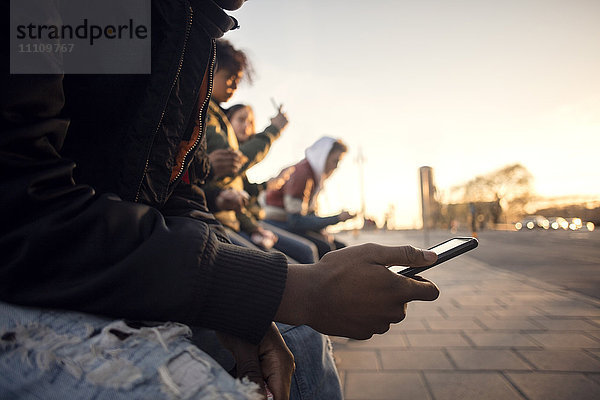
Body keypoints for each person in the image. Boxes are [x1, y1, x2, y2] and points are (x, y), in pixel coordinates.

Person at [1, 1, 440, 399]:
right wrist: (291, 289)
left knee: (300, 339)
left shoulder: (181, 26)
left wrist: (242, 301)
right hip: (30, 268)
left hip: (103, 256)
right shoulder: (96, 17)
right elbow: (19, 205)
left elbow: (171, 192)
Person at [193, 39, 318, 264]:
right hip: (217, 222)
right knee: (293, 262)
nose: (233, 86)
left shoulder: (213, 113)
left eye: (237, 81)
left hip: (235, 221)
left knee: (306, 253)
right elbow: (232, 165)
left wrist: (255, 219)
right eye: (230, 78)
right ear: (210, 69)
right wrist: (274, 130)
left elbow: (235, 190)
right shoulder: (206, 113)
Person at [225, 103, 319, 264]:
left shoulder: (239, 166)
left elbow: (245, 190)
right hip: (239, 223)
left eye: (250, 123)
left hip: (251, 221)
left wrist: (268, 184)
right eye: (241, 120)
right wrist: (274, 129)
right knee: (299, 258)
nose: (246, 126)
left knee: (308, 250)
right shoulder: (226, 153)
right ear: (227, 122)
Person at [264, 137, 355, 258]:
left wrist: (320, 230)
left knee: (340, 247)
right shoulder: (302, 174)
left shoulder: (313, 176)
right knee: (321, 249)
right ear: (323, 156)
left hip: (288, 222)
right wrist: (337, 218)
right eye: (335, 161)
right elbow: (295, 221)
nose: (336, 166)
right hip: (275, 222)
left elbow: (307, 215)